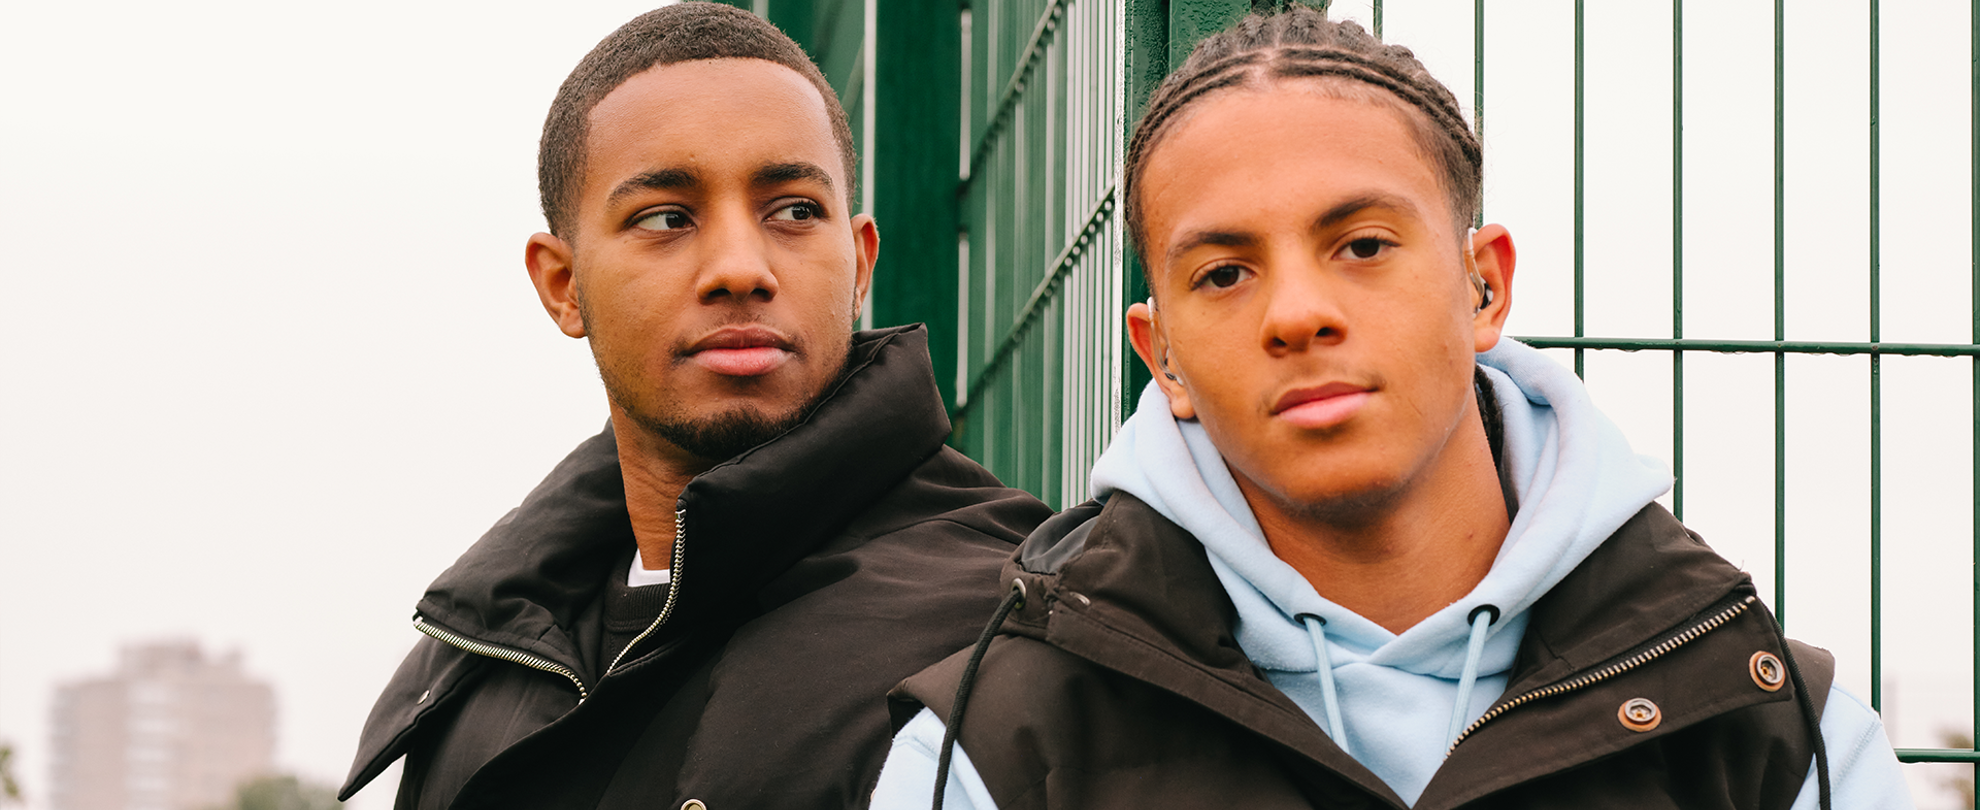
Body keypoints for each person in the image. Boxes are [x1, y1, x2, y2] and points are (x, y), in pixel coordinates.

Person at [873, 8, 1911, 810]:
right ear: (1165, 357)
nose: (1298, 313)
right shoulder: (992, 751)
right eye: (1226, 273)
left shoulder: (1772, 723)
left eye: (1362, 246)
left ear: (1484, 288)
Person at [338, 5, 1051, 808]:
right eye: (667, 218)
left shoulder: (1010, 621)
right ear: (563, 286)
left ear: (858, 264)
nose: (740, 268)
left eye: (793, 211)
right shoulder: (480, 658)